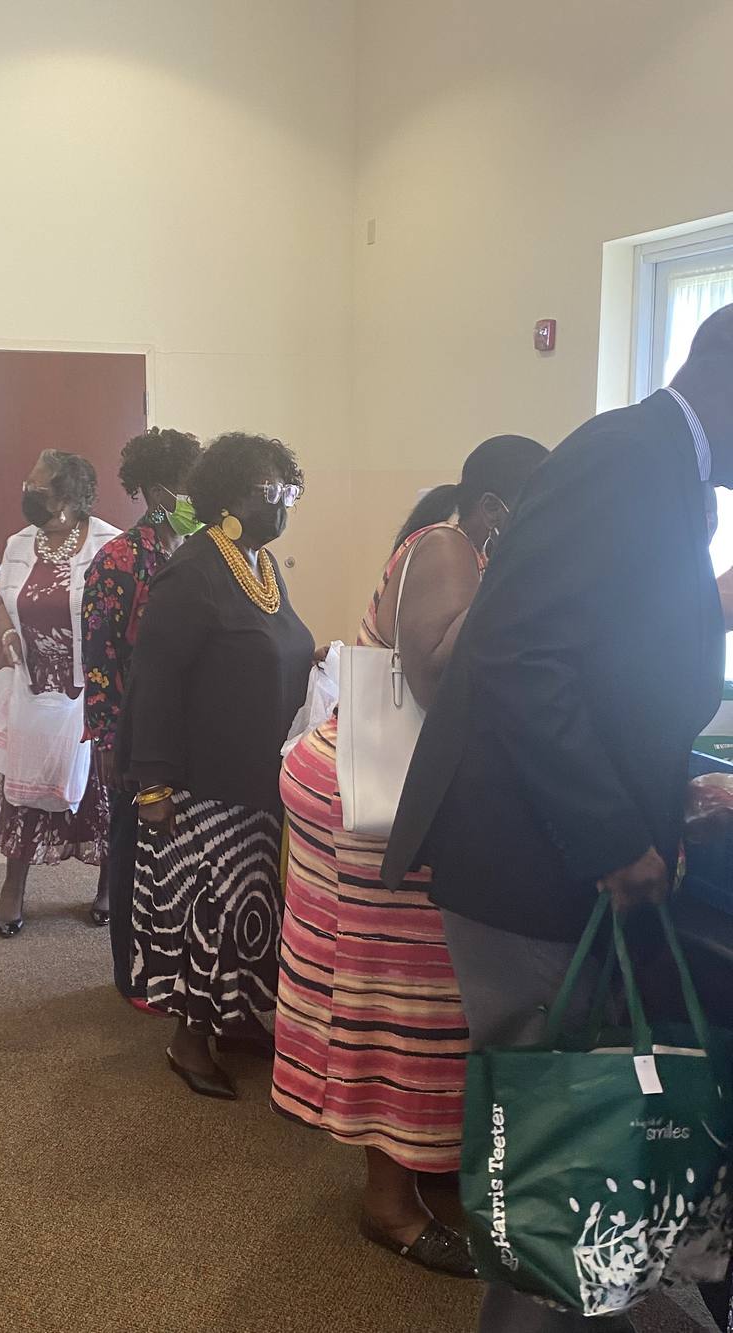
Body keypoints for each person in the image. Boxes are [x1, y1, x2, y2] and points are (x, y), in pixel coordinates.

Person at [383, 305, 733, 1332]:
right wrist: (613, 833)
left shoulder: (658, 464)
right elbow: (519, 655)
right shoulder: (627, 457)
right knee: (555, 1144)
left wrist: (662, 788)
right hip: (531, 858)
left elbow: (604, 650)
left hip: (548, 843)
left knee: (571, 1143)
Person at [272, 438, 548, 1281]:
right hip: (375, 811)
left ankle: (425, 1165)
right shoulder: (448, 547)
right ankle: (387, 1201)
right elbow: (432, 674)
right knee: (397, 1003)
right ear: (496, 508)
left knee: (431, 1005)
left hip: (406, 806)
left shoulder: (476, 557)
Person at [116, 432, 314, 1099]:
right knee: (209, 912)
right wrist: (152, 785)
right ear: (227, 496)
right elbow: (156, 681)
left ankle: (235, 1019)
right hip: (201, 785)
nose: (283, 503)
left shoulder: (262, 565)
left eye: (290, 489)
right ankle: (188, 1040)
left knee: (252, 908)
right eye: (270, 490)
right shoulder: (194, 570)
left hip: (258, 779)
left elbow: (270, 646)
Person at [82, 426, 202, 999]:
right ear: (158, 492)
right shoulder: (119, 560)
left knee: (178, 853)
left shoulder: (200, 553)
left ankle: (177, 965)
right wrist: (108, 738)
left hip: (189, 725)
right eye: (189, 485)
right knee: (133, 848)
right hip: (133, 729)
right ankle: (128, 973)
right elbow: (99, 656)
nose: (199, 498)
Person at [0, 451, 120, 937]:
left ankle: (107, 885)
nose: (26, 492)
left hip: (91, 690)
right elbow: (3, 603)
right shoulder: (19, 543)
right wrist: (7, 635)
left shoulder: (109, 544)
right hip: (34, 686)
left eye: (37, 486)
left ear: (66, 497)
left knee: (98, 790)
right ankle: (14, 887)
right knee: (25, 785)